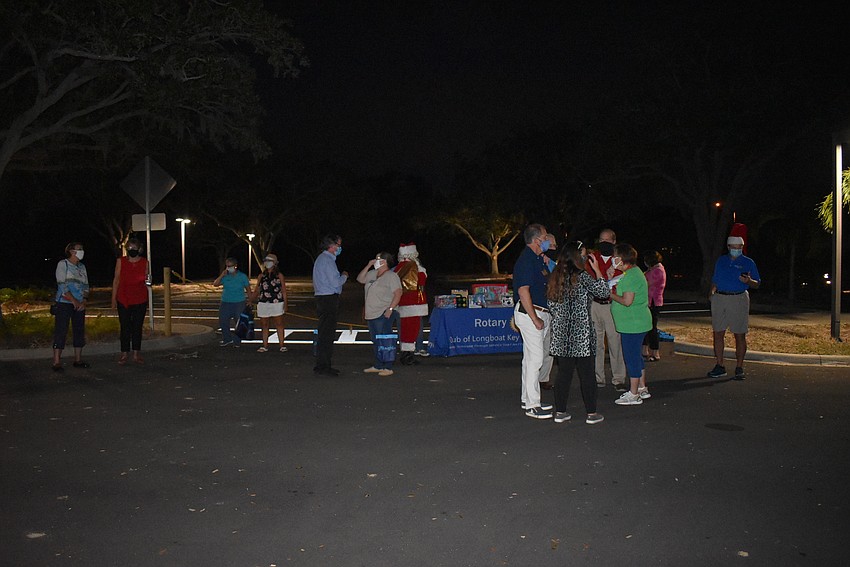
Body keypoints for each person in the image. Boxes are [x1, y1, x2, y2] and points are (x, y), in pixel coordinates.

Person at [547, 241, 609, 424]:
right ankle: (591, 413)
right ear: (577, 256)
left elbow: (551, 304)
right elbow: (603, 292)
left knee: (563, 375)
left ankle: (560, 412)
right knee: (587, 375)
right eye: (583, 254)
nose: (585, 258)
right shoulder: (583, 277)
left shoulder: (556, 276)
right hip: (582, 335)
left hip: (562, 334)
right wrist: (597, 270)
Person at [512, 223, 555, 419]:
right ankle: (532, 405)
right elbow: (523, 291)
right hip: (531, 313)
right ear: (537, 240)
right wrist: (534, 317)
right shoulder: (527, 260)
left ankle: (527, 398)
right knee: (536, 359)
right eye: (545, 238)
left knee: (530, 359)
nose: (548, 241)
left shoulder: (538, 258)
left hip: (540, 311)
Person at [707, 235, 761, 380]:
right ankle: (719, 365)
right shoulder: (721, 260)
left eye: (739, 248)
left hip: (738, 298)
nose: (736, 250)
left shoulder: (748, 262)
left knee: (739, 334)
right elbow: (715, 279)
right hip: (720, 297)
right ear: (728, 247)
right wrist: (711, 293)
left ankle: (739, 367)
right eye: (734, 247)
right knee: (718, 332)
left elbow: (757, 283)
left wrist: (748, 281)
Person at [609, 243, 653, 405]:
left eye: (615, 257)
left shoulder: (631, 276)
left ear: (622, 258)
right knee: (636, 356)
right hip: (636, 322)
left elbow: (627, 301)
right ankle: (642, 387)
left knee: (631, 357)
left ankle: (633, 394)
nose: (613, 259)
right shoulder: (633, 273)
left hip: (632, 324)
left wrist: (610, 294)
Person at [587, 228, 627, 390]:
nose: (603, 243)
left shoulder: (619, 260)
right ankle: (598, 377)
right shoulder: (593, 258)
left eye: (607, 240)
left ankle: (618, 378)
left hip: (612, 305)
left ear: (614, 242)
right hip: (595, 304)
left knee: (615, 342)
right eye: (601, 240)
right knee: (596, 344)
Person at [357, 252, 403, 376]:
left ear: (385, 261)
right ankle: (378, 364)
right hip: (371, 312)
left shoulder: (391, 276)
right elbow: (360, 279)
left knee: (385, 339)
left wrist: (390, 309)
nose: (375, 260)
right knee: (376, 340)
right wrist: (368, 265)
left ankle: (388, 366)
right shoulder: (372, 274)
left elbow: (398, 293)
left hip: (383, 312)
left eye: (378, 258)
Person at [313, 234, 349, 376]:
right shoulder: (327, 260)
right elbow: (335, 282)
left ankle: (322, 365)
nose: (340, 248)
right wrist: (344, 276)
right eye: (338, 245)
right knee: (327, 334)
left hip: (323, 298)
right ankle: (324, 366)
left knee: (324, 333)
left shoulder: (322, 259)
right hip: (328, 299)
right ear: (332, 245)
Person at [52, 242, 90, 371]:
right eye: (79, 249)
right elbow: (62, 284)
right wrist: (73, 300)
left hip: (79, 303)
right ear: (72, 251)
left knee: (79, 331)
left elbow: (86, 286)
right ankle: (56, 362)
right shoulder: (63, 264)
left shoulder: (82, 267)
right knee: (61, 330)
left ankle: (78, 360)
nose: (82, 251)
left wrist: (83, 301)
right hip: (64, 302)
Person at [111, 237, 149, 365]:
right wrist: (113, 298)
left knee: (137, 327)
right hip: (124, 298)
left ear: (139, 249)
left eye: (134, 248)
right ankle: (124, 353)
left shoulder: (145, 262)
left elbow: (147, 280)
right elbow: (116, 280)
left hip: (140, 298)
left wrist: (148, 281)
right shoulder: (121, 261)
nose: (132, 250)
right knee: (125, 327)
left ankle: (136, 353)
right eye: (130, 248)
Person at [394, 242, 429, 365]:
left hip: (403, 302)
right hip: (415, 302)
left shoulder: (399, 267)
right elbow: (422, 281)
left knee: (405, 329)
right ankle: (408, 355)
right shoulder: (414, 266)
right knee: (413, 329)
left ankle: (406, 354)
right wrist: (421, 269)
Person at [251, 253, 287, 353]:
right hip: (263, 302)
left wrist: (285, 303)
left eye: (269, 261)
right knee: (264, 324)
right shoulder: (261, 276)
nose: (267, 263)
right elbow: (257, 289)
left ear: (274, 263)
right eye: (266, 261)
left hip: (277, 302)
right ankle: (265, 345)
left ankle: (282, 345)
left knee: (279, 323)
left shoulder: (279, 275)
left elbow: (283, 290)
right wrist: (251, 300)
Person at [213, 257, 252, 347]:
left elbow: (248, 289)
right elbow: (215, 284)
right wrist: (222, 275)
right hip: (225, 302)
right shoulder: (225, 276)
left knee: (239, 322)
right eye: (227, 266)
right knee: (223, 321)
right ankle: (227, 339)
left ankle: (237, 341)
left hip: (239, 302)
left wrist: (250, 300)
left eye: (230, 266)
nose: (228, 268)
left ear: (235, 266)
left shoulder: (242, 276)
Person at [642, 250, 667, 361]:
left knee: (652, 327)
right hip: (649, 301)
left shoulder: (658, 271)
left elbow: (645, 283)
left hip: (653, 302)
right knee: (645, 327)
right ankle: (645, 350)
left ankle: (655, 352)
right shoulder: (653, 270)